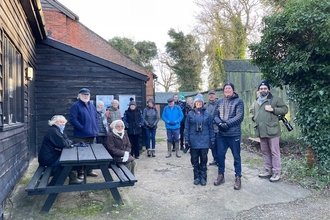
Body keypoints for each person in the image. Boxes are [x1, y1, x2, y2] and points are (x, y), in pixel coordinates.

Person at [250, 80, 288, 182]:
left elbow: (285, 109)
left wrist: (273, 109)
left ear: (268, 89)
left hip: (273, 130)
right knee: (265, 151)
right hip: (261, 131)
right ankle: (268, 170)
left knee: (274, 152)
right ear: (259, 90)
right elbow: (251, 111)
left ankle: (276, 172)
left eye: (265, 88)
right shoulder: (256, 101)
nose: (263, 90)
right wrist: (253, 118)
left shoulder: (275, 99)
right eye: (261, 88)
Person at [213, 82, 244, 190]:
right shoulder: (219, 102)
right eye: (225, 89)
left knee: (236, 156)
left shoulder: (238, 101)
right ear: (223, 91)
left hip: (234, 134)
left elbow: (239, 117)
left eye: (229, 88)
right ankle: (221, 175)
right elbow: (215, 116)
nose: (227, 90)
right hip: (221, 134)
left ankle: (238, 177)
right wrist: (220, 124)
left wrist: (227, 124)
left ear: (233, 90)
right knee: (220, 156)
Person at [38, 115, 83, 185]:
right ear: (55, 122)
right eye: (60, 122)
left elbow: (66, 140)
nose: (62, 124)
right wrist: (67, 142)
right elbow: (63, 144)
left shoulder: (58, 130)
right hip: (48, 159)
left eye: (64, 122)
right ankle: (57, 184)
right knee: (69, 161)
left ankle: (73, 178)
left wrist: (67, 142)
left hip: (51, 156)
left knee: (69, 159)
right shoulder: (53, 131)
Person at [184, 94, 215, 186]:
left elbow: (211, 128)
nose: (198, 104)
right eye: (197, 102)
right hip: (193, 140)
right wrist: (186, 140)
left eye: (200, 102)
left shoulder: (207, 114)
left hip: (204, 140)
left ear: (202, 103)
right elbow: (187, 128)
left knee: (204, 159)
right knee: (194, 159)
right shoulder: (190, 114)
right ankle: (196, 177)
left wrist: (212, 139)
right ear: (194, 103)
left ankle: (203, 177)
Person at [70, 88, 99, 179]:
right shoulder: (75, 106)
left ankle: (89, 170)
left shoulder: (91, 105)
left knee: (91, 154)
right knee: (81, 155)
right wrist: (82, 128)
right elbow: (73, 120)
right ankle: (80, 172)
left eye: (87, 95)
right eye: (84, 95)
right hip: (81, 135)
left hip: (92, 134)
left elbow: (96, 117)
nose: (86, 96)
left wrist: (96, 128)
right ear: (79, 96)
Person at [204, 90, 219, 166]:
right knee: (212, 145)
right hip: (210, 129)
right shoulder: (206, 106)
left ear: (215, 95)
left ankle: (220, 160)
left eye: (213, 94)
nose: (211, 96)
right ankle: (215, 159)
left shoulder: (220, 104)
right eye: (210, 94)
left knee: (219, 145)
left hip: (218, 128)